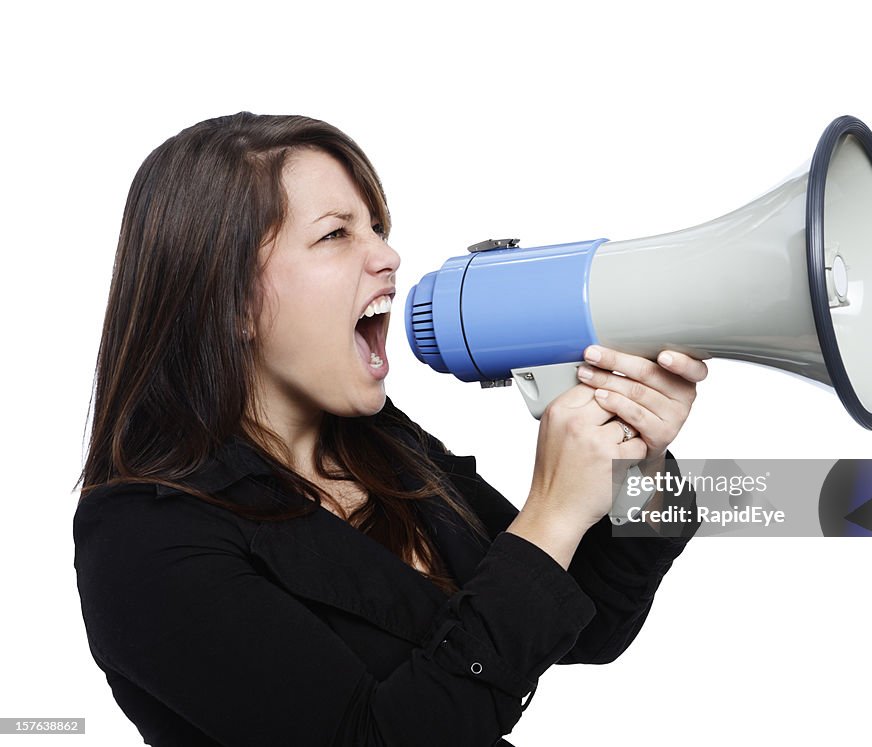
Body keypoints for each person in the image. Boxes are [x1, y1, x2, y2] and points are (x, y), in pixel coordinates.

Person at [73, 112, 707, 746]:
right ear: (232, 297)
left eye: (377, 228)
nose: (388, 255)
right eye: (335, 236)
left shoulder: (382, 448)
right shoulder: (143, 536)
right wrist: (550, 516)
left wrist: (638, 465)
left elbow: (586, 624)